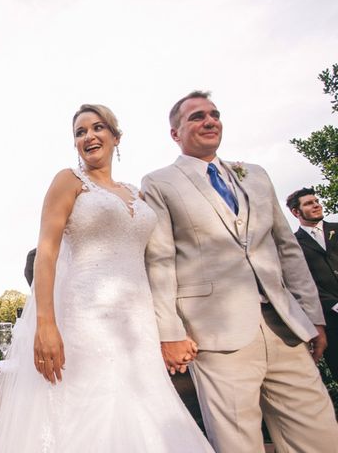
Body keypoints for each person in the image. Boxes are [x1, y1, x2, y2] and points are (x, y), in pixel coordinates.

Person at [0, 104, 213, 452]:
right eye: (80, 133)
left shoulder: (137, 193)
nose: (89, 136)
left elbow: (158, 261)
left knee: (143, 406)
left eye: (97, 128)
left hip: (137, 322)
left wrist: (170, 328)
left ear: (116, 137)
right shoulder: (68, 181)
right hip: (84, 317)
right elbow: (47, 253)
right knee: (90, 408)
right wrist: (45, 324)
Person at [142, 90, 338, 452]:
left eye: (214, 114)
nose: (209, 121)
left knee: (321, 437)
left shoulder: (256, 176)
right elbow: (160, 260)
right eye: (197, 116)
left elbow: (288, 249)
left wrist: (313, 316)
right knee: (238, 444)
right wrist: (169, 332)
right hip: (217, 337)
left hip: (286, 329)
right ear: (175, 133)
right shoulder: (159, 183)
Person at [287, 187, 338, 379]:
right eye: (309, 203)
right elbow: (299, 281)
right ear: (296, 212)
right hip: (330, 322)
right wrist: (333, 304)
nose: (316, 205)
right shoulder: (292, 244)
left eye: (316, 201)